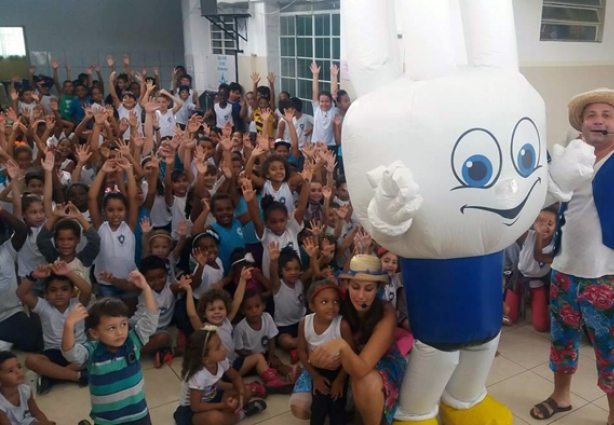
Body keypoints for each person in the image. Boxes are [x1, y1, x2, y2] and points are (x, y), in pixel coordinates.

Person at [531, 88, 614, 422]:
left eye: (607, 115)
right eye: (591, 115)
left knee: (610, 349)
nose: (598, 121)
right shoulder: (570, 157)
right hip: (565, 268)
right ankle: (561, 397)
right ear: (581, 124)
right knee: (562, 339)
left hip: (607, 272)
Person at [304, 255, 406, 425]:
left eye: (368, 289)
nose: (360, 296)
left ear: (378, 288)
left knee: (365, 381)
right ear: (347, 285)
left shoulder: (386, 312)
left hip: (379, 363)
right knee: (300, 406)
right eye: (355, 287)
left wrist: (341, 346)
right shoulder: (339, 304)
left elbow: (361, 368)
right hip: (343, 363)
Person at [62, 270, 159, 425]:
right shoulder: (92, 352)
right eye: (111, 328)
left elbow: (151, 320)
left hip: (138, 416)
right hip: (107, 421)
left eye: (123, 324)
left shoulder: (133, 341)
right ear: (94, 333)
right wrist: (68, 325)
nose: (120, 332)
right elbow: (70, 353)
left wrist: (146, 288)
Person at [17, 262, 92, 395]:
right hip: (53, 352)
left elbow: (87, 290)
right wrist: (34, 276)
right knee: (31, 361)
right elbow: (21, 293)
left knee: (94, 355)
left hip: (77, 350)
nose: (59, 294)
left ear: (72, 292)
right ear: (46, 294)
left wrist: (68, 272)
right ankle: (77, 376)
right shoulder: (44, 306)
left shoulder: (78, 304)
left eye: (64, 289)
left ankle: (53, 377)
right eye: (53, 290)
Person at [173, 327, 267, 425]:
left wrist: (241, 393)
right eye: (218, 347)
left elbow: (235, 377)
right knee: (214, 418)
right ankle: (241, 414)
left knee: (247, 390)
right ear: (205, 360)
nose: (223, 348)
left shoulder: (221, 361)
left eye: (221, 343)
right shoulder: (198, 375)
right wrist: (223, 405)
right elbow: (196, 406)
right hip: (191, 411)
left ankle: (228, 416)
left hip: (213, 397)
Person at [291, 280, 354, 424]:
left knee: (337, 408)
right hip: (316, 371)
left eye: (336, 301)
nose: (331, 306)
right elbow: (301, 351)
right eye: (324, 302)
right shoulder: (304, 323)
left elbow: (350, 357)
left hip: (340, 371)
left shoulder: (342, 325)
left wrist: (340, 380)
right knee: (318, 407)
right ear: (312, 306)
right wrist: (315, 376)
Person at [517, 206, 557, 333]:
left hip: (537, 283)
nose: (544, 226)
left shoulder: (556, 246)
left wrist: (539, 234)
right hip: (517, 279)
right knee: (509, 316)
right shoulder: (529, 235)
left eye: (550, 223)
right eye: (540, 221)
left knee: (541, 327)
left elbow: (539, 256)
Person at [0, 351, 54, 425]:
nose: (18, 372)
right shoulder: (1, 404)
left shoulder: (25, 390)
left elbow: (36, 412)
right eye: (11, 371)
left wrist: (45, 422)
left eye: (19, 367)